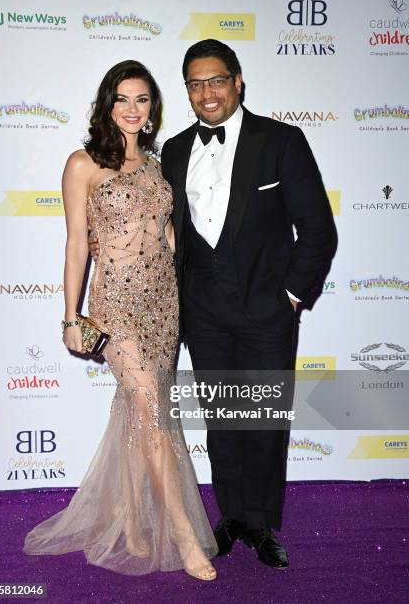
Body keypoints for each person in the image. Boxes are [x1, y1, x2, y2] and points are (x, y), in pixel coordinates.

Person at [90, 40, 337, 570]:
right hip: (200, 311)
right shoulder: (174, 151)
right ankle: (230, 517)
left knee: (263, 419)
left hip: (266, 309)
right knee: (223, 419)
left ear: (238, 81)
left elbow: (317, 227)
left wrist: (291, 297)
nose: (207, 93)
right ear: (185, 92)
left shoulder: (281, 141)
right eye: (196, 84)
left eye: (217, 80)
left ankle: (262, 523)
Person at [23, 60, 218, 581]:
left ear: (152, 109)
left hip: (163, 304)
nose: (133, 109)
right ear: (107, 105)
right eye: (123, 99)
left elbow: (170, 237)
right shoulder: (82, 163)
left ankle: (133, 518)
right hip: (117, 309)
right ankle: (180, 531)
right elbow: (76, 244)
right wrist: (71, 315)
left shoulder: (156, 165)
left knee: (141, 413)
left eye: (142, 100)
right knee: (152, 414)